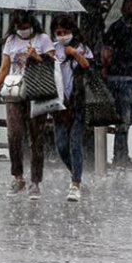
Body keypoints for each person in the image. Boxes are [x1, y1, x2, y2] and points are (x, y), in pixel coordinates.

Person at [0, 10, 55, 200]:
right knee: (14, 134)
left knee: (36, 138)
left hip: (37, 92)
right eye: (19, 28)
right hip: (15, 92)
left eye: (25, 27)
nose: (22, 31)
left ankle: (35, 180)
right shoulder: (11, 41)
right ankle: (18, 176)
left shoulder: (43, 39)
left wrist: (36, 57)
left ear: (31, 24)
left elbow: (53, 65)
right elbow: (4, 67)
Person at [50, 14, 92, 201]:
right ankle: (76, 173)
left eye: (65, 32)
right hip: (59, 105)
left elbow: (89, 67)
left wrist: (74, 53)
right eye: (58, 32)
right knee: (61, 145)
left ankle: (75, 183)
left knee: (75, 143)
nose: (62, 35)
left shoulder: (81, 47)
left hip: (78, 103)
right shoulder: (52, 49)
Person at [101, 0, 132, 171]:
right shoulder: (116, 29)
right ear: (123, 9)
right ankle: (120, 156)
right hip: (119, 79)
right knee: (123, 120)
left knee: (128, 119)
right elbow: (107, 53)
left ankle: (121, 154)